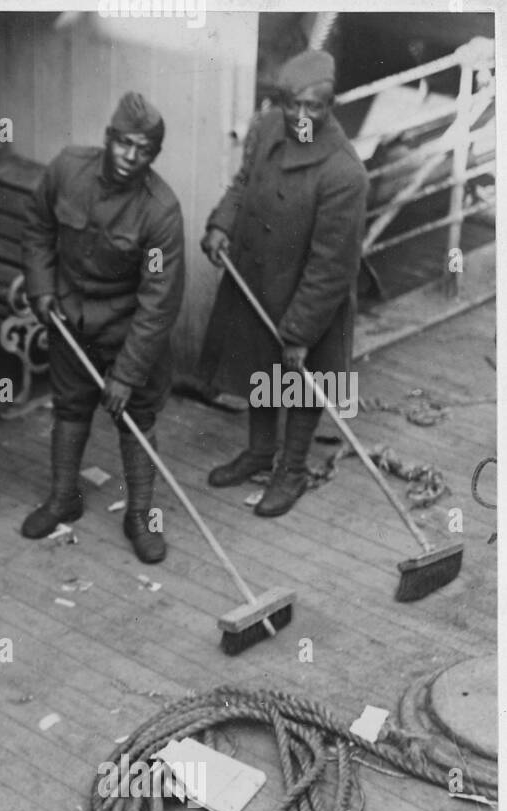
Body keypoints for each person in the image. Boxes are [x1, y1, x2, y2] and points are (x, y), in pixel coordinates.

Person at [199, 48, 367, 517]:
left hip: (311, 294)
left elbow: (331, 267)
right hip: (260, 280)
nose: (301, 116)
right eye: (293, 104)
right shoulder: (267, 127)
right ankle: (258, 451)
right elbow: (243, 182)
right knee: (260, 369)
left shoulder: (344, 173)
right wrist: (221, 225)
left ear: (331, 105)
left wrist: (299, 333)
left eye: (314, 106)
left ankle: (291, 469)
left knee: (300, 381)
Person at [20, 92, 185, 564]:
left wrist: (128, 375)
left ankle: (139, 515)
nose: (132, 158)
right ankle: (63, 497)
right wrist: (40, 286)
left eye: (144, 151)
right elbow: (37, 226)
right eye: (125, 144)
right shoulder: (67, 170)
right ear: (108, 138)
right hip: (70, 320)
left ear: (153, 155)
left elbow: (160, 301)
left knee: (136, 420)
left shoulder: (161, 210)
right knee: (70, 410)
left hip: (132, 333)